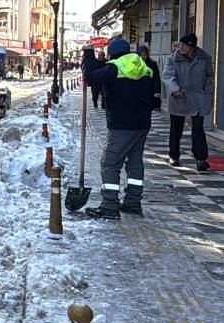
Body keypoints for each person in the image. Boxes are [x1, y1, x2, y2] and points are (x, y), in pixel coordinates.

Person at [81, 37, 155, 219]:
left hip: (122, 125)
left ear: (111, 53)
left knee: (110, 164)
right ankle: (132, 202)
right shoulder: (145, 68)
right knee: (135, 163)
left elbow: (90, 76)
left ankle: (109, 206)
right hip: (142, 124)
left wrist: (89, 54)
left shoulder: (115, 68)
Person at [162, 33, 214, 171]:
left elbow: (210, 76)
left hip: (198, 98)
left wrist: (207, 94)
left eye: (185, 45)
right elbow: (167, 75)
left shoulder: (204, 58)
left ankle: (200, 158)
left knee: (198, 128)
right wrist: (174, 88)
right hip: (179, 96)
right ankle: (174, 156)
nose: (181, 47)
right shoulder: (174, 58)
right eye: (180, 44)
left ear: (192, 46)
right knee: (176, 128)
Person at [137, 46, 162, 110]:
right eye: (141, 55)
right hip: (139, 91)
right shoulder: (135, 64)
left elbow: (156, 78)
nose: (143, 57)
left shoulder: (152, 64)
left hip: (150, 89)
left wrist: (157, 90)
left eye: (145, 55)